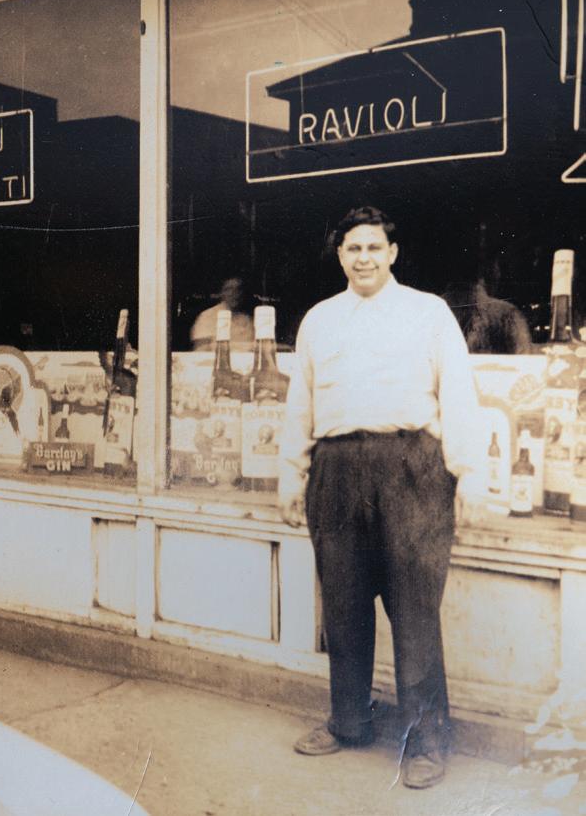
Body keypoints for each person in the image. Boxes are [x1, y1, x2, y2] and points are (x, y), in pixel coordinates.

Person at [278, 206, 484, 790]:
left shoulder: (427, 312)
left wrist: (469, 473)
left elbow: (459, 394)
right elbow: (300, 404)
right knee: (343, 606)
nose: (363, 258)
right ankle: (349, 723)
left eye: (373, 247)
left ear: (392, 253)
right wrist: (290, 476)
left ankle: (426, 741)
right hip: (336, 468)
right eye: (353, 248)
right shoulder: (319, 320)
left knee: (414, 609)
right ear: (340, 256)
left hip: (411, 467)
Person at [190, 276, 254, 350]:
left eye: (238, 289)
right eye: (229, 289)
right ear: (221, 293)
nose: (234, 293)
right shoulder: (207, 316)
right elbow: (200, 350)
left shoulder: (247, 319)